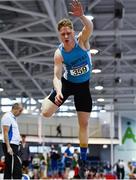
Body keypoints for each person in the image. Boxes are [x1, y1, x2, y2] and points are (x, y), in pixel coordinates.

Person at [41, 0, 93, 178]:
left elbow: (90, 27)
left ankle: (83, 159)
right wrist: (59, 90)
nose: (65, 36)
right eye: (62, 34)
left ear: (72, 32)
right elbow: (56, 76)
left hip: (83, 87)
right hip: (67, 83)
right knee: (46, 112)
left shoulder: (81, 41)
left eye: (68, 32)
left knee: (84, 124)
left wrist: (82, 16)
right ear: (59, 35)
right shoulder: (59, 53)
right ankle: (47, 99)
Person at [1, 103, 23, 179]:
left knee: (9, 167)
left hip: (14, 145)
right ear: (15, 109)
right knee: (16, 167)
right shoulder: (7, 117)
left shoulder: (13, 118)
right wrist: (8, 147)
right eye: (20, 111)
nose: (21, 113)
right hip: (10, 145)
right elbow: (5, 133)